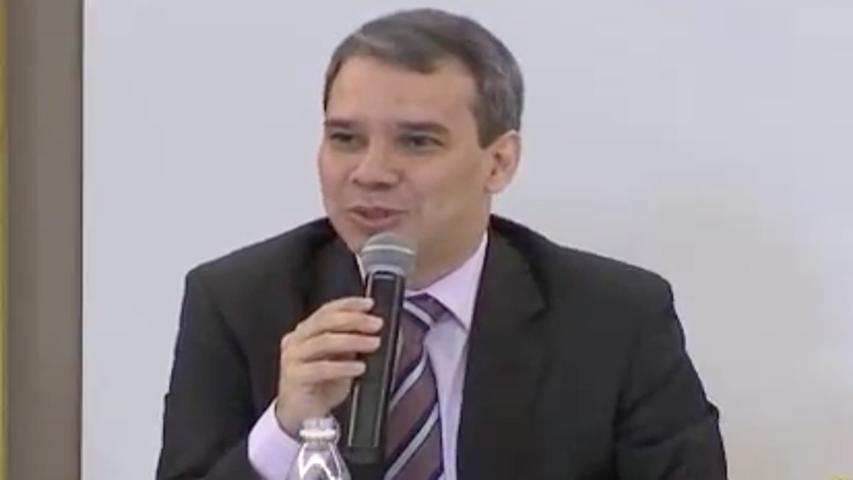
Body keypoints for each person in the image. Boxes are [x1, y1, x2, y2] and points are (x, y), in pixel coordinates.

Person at [156, 8, 726, 480]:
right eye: (346, 138)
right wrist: (283, 430)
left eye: (417, 142)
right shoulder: (239, 301)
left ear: (499, 162)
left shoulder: (615, 318)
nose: (371, 172)